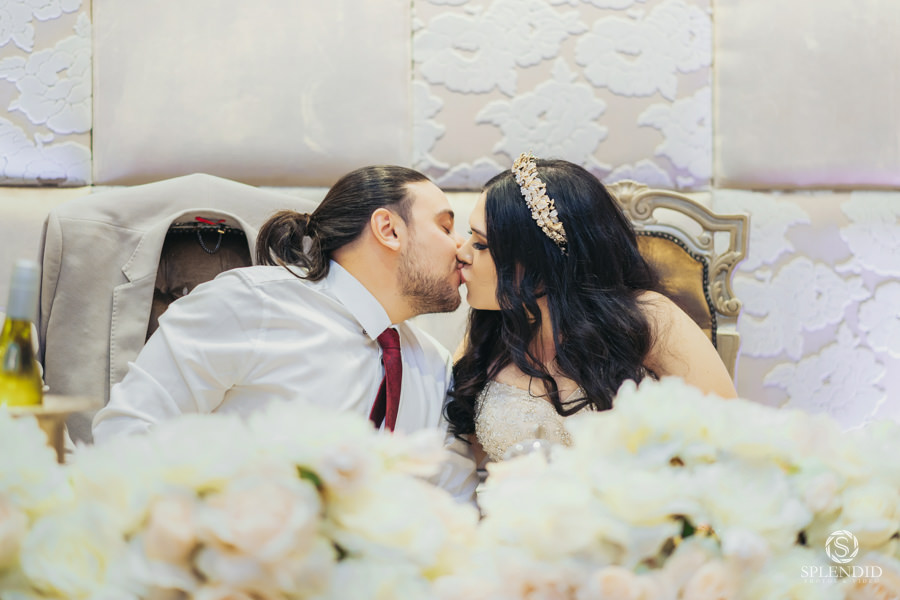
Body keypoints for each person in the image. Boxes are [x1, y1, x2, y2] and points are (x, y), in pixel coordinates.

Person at [92, 165, 479, 501]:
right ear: (388, 229)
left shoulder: (435, 364)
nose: (462, 248)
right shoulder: (248, 304)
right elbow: (127, 433)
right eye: (446, 227)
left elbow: (453, 503)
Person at [446, 153, 738, 464]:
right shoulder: (487, 336)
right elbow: (457, 463)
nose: (461, 253)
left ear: (540, 260)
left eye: (481, 244)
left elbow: (729, 442)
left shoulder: (649, 319)